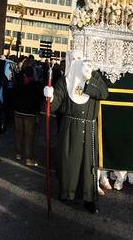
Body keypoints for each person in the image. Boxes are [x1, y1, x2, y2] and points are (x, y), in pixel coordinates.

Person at [44, 51, 109, 213]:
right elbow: (54, 104)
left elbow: (104, 93)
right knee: (69, 161)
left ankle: (88, 198)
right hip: (70, 127)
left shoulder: (95, 77)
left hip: (88, 128)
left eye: (79, 59)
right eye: (73, 59)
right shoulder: (64, 81)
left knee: (88, 165)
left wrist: (88, 81)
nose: (76, 62)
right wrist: (49, 97)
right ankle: (67, 192)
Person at [13, 61, 42, 166]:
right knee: (29, 136)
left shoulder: (19, 83)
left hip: (18, 111)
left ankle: (18, 153)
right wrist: (37, 113)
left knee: (18, 133)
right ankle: (28, 157)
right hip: (30, 113)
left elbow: (14, 96)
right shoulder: (36, 85)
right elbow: (38, 100)